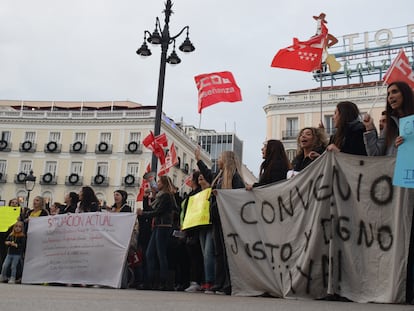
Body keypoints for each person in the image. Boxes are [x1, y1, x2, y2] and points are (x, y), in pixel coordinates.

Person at [195, 148, 245, 295]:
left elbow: (239, 197)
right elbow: (208, 174)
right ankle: (219, 282)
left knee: (226, 252)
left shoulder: (235, 178)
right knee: (218, 252)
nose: (218, 160)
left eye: (220, 157)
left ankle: (228, 284)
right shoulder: (219, 176)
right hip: (216, 218)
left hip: (228, 220)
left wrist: (222, 196)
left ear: (227, 160)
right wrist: (198, 160)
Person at [137, 175, 177, 290]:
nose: (157, 183)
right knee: (150, 253)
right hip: (158, 226)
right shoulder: (161, 196)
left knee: (161, 254)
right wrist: (147, 198)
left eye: (159, 182)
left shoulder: (167, 196)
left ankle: (164, 282)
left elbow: (157, 212)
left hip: (163, 226)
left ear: (164, 184)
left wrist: (143, 214)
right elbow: (152, 209)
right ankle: (151, 281)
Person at [363, 81, 414, 156]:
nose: (390, 97)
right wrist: (370, 129)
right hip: (393, 167)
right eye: (388, 94)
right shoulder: (390, 125)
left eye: (394, 92)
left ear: (405, 94)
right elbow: (375, 154)